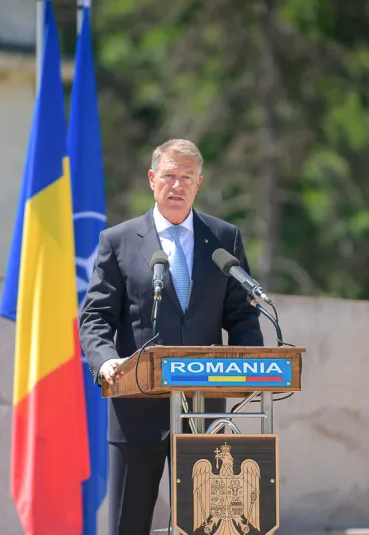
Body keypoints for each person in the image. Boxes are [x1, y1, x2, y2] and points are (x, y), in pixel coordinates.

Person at [79, 138, 264, 534]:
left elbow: (242, 319)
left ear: (199, 183)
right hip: (136, 412)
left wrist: (254, 365)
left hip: (206, 415)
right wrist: (107, 361)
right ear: (151, 180)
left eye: (186, 177)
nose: (176, 186)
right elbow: (95, 318)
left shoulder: (223, 240)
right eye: (168, 176)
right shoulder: (119, 241)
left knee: (209, 526)